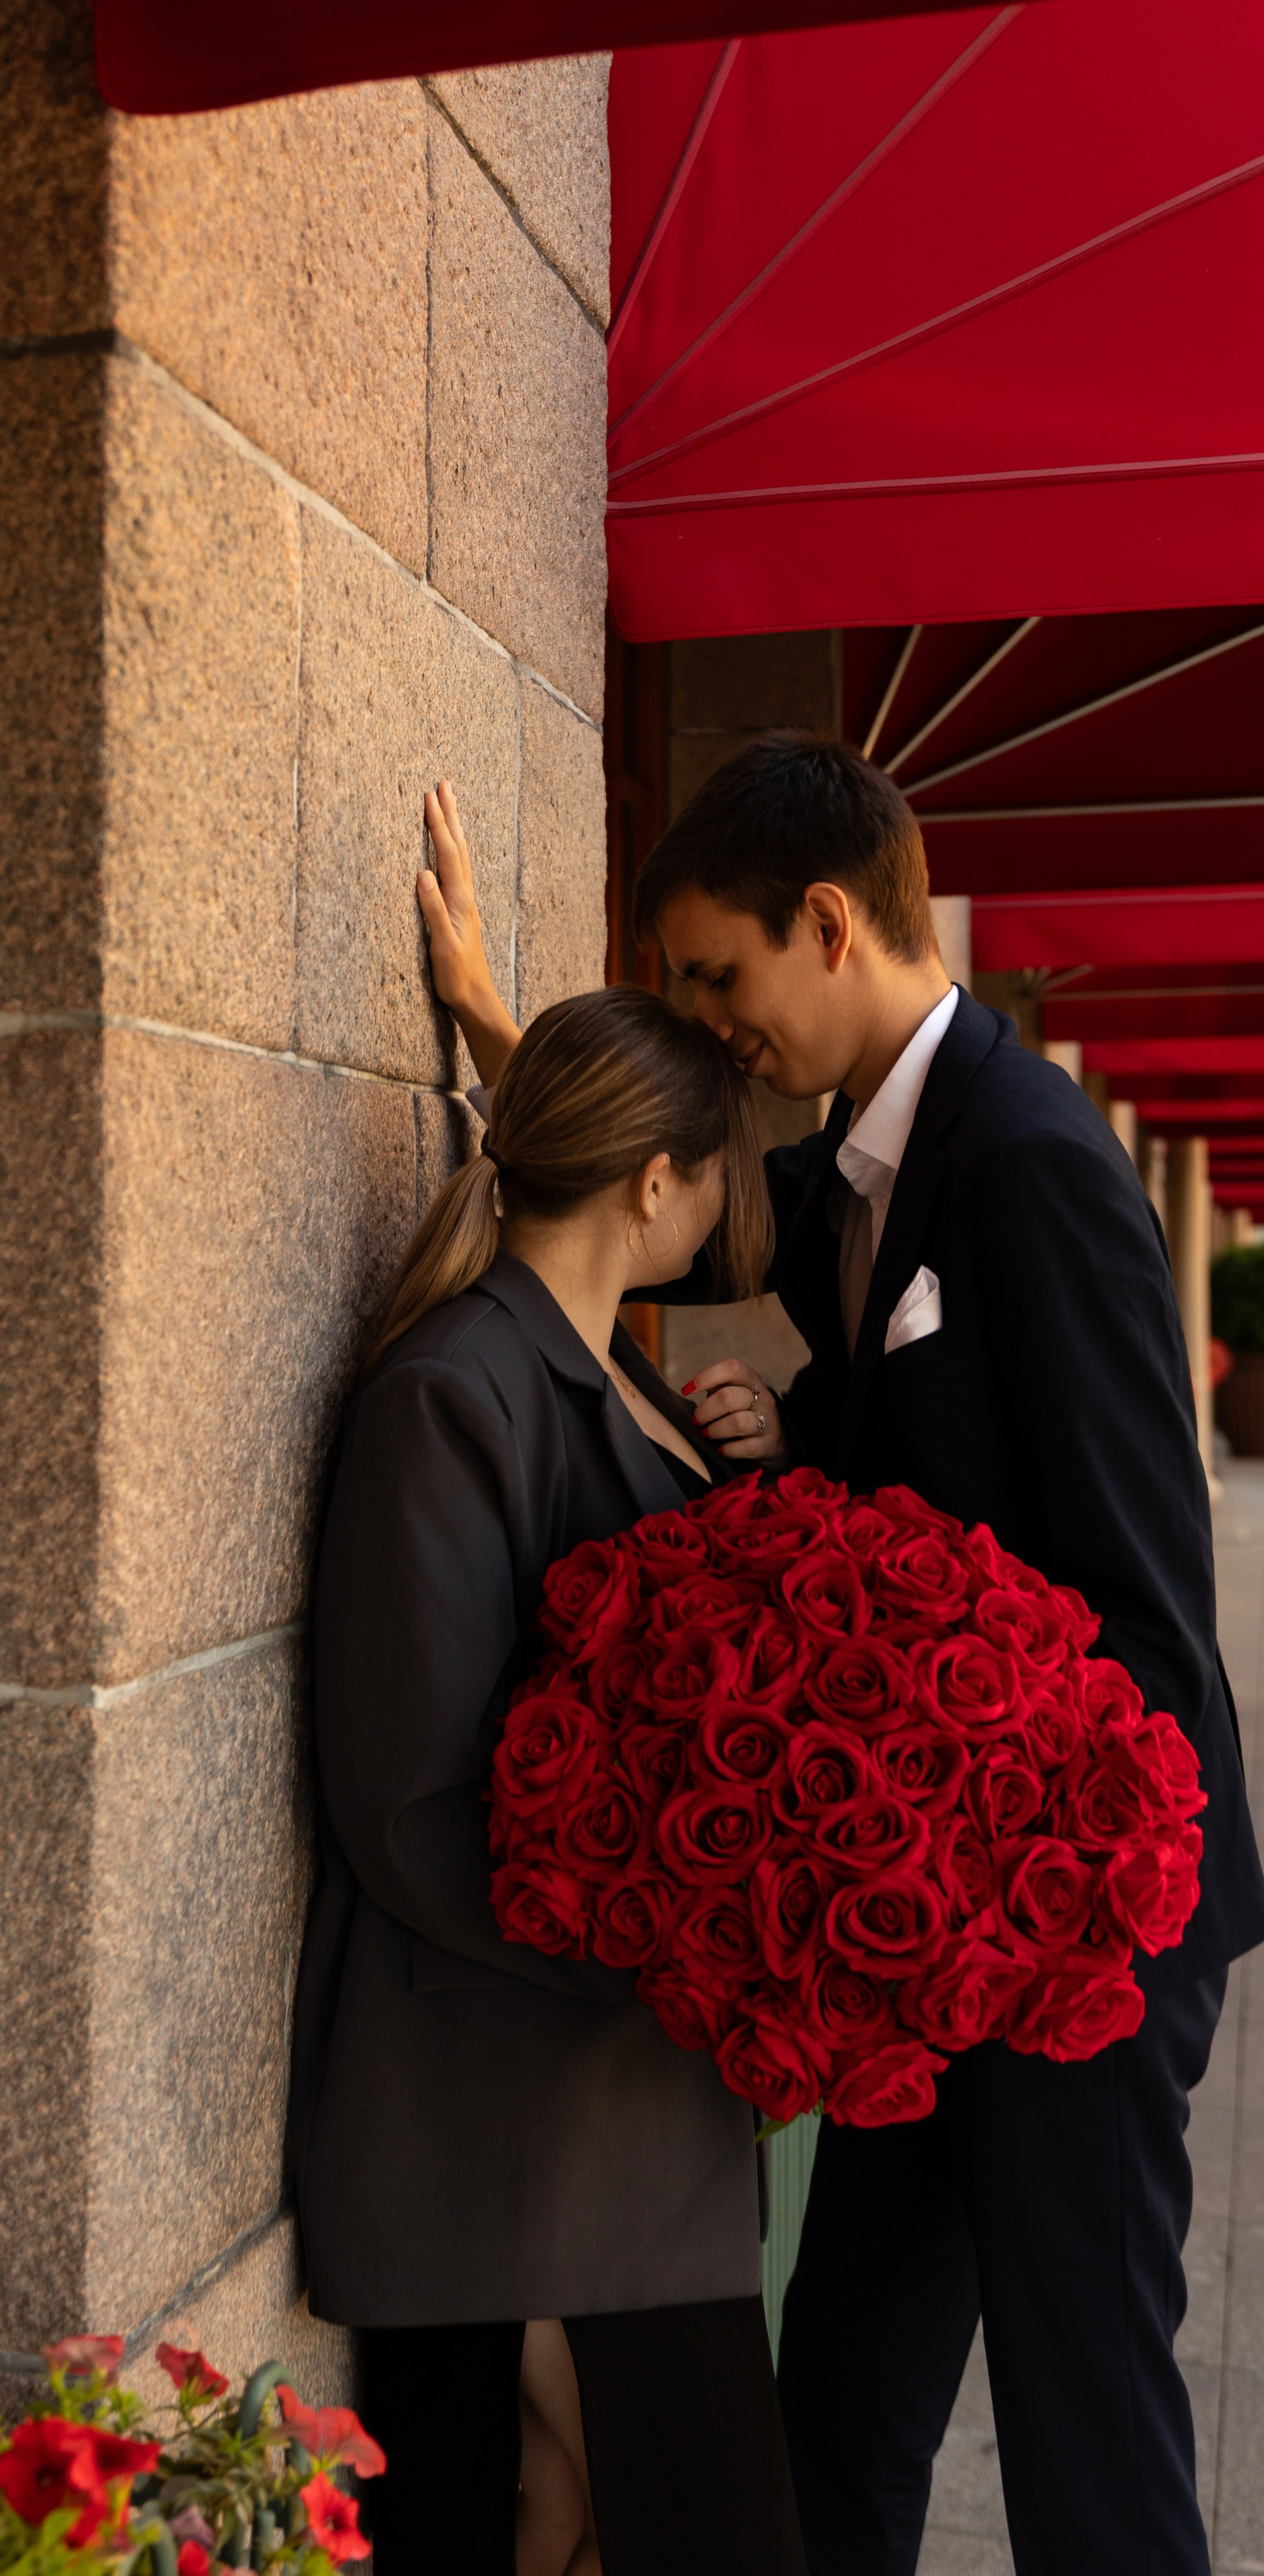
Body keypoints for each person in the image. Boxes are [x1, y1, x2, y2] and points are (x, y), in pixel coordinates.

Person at [421, 742, 1264, 2576]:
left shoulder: (1033, 1163)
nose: (708, 1022)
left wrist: (1015, 1874)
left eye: (715, 976)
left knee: (1085, 2434)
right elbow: (631, 1196)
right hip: (934, 1938)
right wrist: (495, 1027)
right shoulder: (850, 1175)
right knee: (839, 2411)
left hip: (1082, 1933)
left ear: (827, 921)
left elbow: (1147, 1604)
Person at [290, 985, 809, 2576]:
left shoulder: (607, 1370)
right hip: (507, 2120)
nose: (726, 1205)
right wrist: (664, 1947)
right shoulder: (453, 1388)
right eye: (714, 1169)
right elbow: (408, 1804)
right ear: (655, 1180)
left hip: (608, 2109)